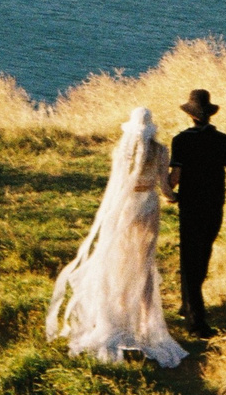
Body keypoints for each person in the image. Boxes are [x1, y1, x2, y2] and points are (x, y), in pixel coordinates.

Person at [45, 107, 186, 368]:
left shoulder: (122, 151)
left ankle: (117, 317)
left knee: (120, 263)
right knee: (143, 264)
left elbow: (116, 186)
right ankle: (144, 321)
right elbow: (165, 187)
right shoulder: (161, 151)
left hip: (125, 207)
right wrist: (173, 195)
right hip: (148, 207)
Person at [163, 89, 226, 337]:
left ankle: (197, 323)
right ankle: (188, 306)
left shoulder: (181, 140)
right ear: (209, 114)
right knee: (203, 255)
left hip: (191, 206)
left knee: (189, 258)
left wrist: (163, 186)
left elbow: (175, 177)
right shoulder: (224, 140)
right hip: (215, 205)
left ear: (191, 115)